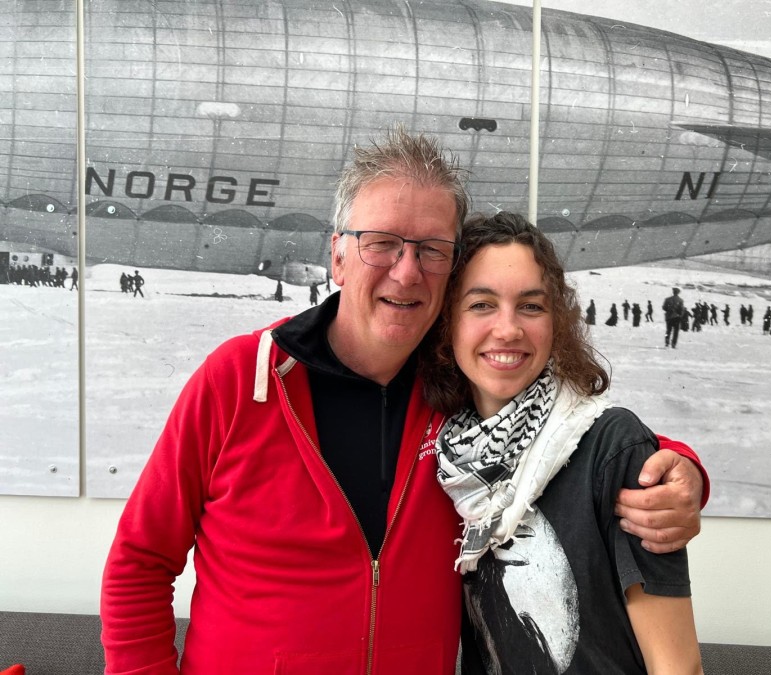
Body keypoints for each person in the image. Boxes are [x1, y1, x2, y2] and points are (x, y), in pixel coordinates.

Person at [100, 128, 706, 675]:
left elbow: (565, 435)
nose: (407, 270)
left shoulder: (457, 398)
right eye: (382, 243)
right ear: (338, 255)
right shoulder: (241, 381)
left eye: (432, 249)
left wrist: (678, 470)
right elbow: (139, 562)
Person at [422, 213, 703, 674]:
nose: (508, 329)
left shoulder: (614, 449)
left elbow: (678, 667)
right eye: (481, 304)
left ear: (556, 321)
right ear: (447, 321)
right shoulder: (449, 457)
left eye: (531, 306)